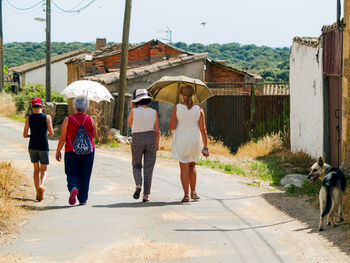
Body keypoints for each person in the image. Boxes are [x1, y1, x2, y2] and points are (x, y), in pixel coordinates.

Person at [170, 85, 209, 202]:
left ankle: (186, 195)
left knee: (184, 167)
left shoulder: (177, 107)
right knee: (192, 165)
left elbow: (172, 126)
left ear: (182, 95)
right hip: (195, 140)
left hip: (182, 139)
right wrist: (206, 146)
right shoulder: (199, 109)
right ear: (193, 95)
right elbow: (203, 129)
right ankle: (194, 192)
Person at [55, 96, 97, 206]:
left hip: (71, 150)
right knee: (85, 174)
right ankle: (82, 199)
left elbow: (63, 138)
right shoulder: (90, 119)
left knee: (71, 172)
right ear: (86, 107)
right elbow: (95, 136)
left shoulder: (68, 119)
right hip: (88, 151)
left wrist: (58, 150)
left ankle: (73, 187)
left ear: (74, 106)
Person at [128, 89, 160, 202]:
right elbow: (157, 130)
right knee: (148, 167)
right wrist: (157, 143)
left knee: (136, 165)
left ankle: (138, 185)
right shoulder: (154, 112)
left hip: (137, 138)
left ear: (137, 100)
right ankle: (146, 195)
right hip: (150, 138)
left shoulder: (134, 111)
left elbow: (129, 123)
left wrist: (132, 108)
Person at [23, 98, 54, 202]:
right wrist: (47, 134)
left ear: (32, 107)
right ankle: (41, 186)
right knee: (44, 170)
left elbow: (24, 134)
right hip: (43, 146)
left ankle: (37, 191)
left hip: (32, 146)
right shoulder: (47, 117)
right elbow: (51, 133)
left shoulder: (29, 118)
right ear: (42, 106)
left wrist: (30, 135)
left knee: (36, 169)